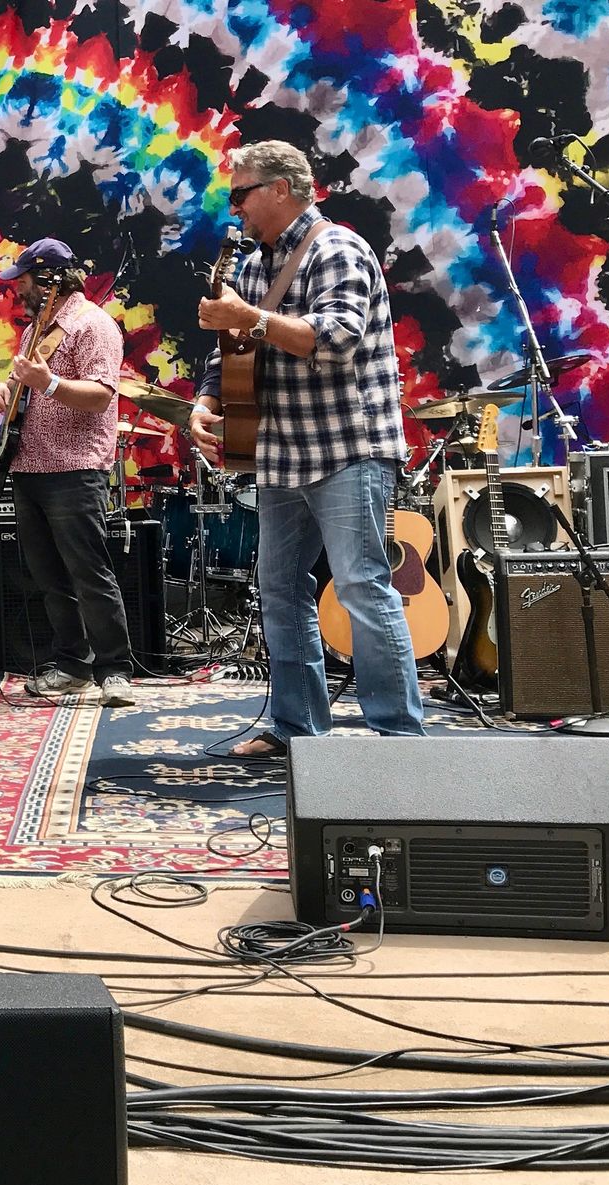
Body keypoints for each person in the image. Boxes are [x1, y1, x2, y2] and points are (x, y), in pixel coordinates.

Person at [188, 140, 424, 756]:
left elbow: (337, 338)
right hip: (281, 453)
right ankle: (297, 729)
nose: (233, 207)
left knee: (361, 587)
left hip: (348, 448)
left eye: (240, 194)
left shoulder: (336, 248)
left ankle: (399, 738)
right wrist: (205, 402)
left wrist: (249, 317)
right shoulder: (251, 266)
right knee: (280, 591)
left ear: (281, 190)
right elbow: (230, 353)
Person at [0, 238, 134, 707]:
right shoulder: (36, 331)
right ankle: (72, 665)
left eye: (24, 280)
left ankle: (115, 669)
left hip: (74, 468)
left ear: (49, 279)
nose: (17, 290)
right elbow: (20, 385)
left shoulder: (94, 325)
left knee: (89, 574)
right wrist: (2, 390)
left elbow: (102, 394)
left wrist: (47, 382)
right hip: (29, 465)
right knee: (50, 579)